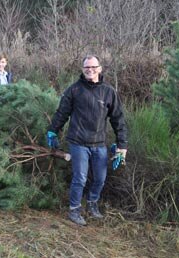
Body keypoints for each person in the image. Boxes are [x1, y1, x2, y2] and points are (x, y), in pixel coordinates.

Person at [47, 55, 127, 226]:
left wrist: (122, 145)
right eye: (86, 68)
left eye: (93, 67)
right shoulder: (74, 90)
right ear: (82, 70)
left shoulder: (108, 91)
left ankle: (92, 203)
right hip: (78, 142)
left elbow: (118, 119)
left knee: (100, 179)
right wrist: (53, 131)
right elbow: (62, 113)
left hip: (99, 143)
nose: (89, 70)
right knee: (80, 178)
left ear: (100, 68)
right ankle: (74, 210)